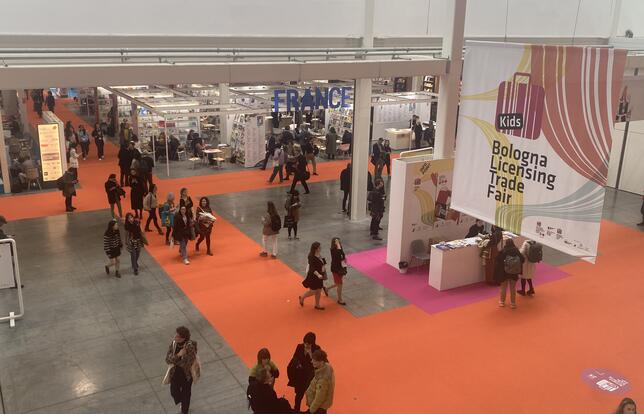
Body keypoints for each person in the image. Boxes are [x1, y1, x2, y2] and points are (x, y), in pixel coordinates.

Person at [165, 326, 197, 414]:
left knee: (186, 393)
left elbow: (188, 363)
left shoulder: (190, 347)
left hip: (186, 375)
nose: (175, 336)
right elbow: (167, 359)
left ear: (183, 338)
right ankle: (183, 401)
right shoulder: (174, 344)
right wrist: (178, 355)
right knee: (174, 392)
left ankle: (184, 410)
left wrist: (174, 360)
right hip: (175, 373)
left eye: (177, 336)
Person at [288, 332, 322, 412]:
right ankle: (296, 410)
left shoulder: (317, 349)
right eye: (305, 343)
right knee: (298, 396)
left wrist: (310, 354)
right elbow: (294, 358)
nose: (306, 345)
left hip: (311, 378)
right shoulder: (299, 347)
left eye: (308, 344)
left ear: (312, 343)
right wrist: (298, 364)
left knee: (312, 397)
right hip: (300, 377)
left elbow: (319, 363)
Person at [495, 239, 524, 309]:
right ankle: (513, 303)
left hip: (504, 273)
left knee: (503, 288)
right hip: (514, 273)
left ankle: (502, 302)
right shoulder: (516, 251)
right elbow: (523, 259)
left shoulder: (503, 251)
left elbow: (498, 260)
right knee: (513, 288)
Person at [305, 350, 335, 414]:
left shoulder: (323, 380)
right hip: (320, 406)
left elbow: (319, 398)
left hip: (318, 408)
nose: (311, 362)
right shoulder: (327, 366)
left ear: (321, 362)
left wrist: (311, 410)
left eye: (314, 361)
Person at [299, 242, 327, 310]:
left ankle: (317, 304)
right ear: (315, 249)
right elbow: (312, 268)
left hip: (320, 274)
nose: (320, 248)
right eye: (319, 247)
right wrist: (318, 274)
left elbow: (322, 262)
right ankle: (302, 297)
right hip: (314, 276)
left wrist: (323, 270)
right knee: (313, 291)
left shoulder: (319, 254)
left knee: (319, 290)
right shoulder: (311, 256)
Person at [326, 237, 347, 305]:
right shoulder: (333, 250)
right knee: (340, 284)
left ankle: (327, 288)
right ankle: (339, 299)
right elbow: (339, 254)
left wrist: (344, 259)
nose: (339, 243)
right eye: (337, 242)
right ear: (334, 243)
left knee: (338, 283)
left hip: (341, 268)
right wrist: (338, 246)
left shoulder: (340, 247)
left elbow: (342, 255)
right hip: (335, 269)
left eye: (339, 242)